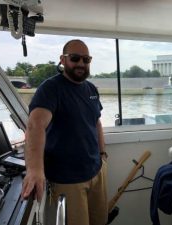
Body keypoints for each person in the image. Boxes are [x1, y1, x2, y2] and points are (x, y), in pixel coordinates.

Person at [21, 39, 108, 225]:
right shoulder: (50, 89)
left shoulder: (91, 89)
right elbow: (35, 126)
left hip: (96, 171)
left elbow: (96, 122)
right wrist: (35, 170)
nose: (81, 64)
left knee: (100, 220)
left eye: (86, 59)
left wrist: (102, 154)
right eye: (75, 58)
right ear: (62, 59)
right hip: (67, 180)